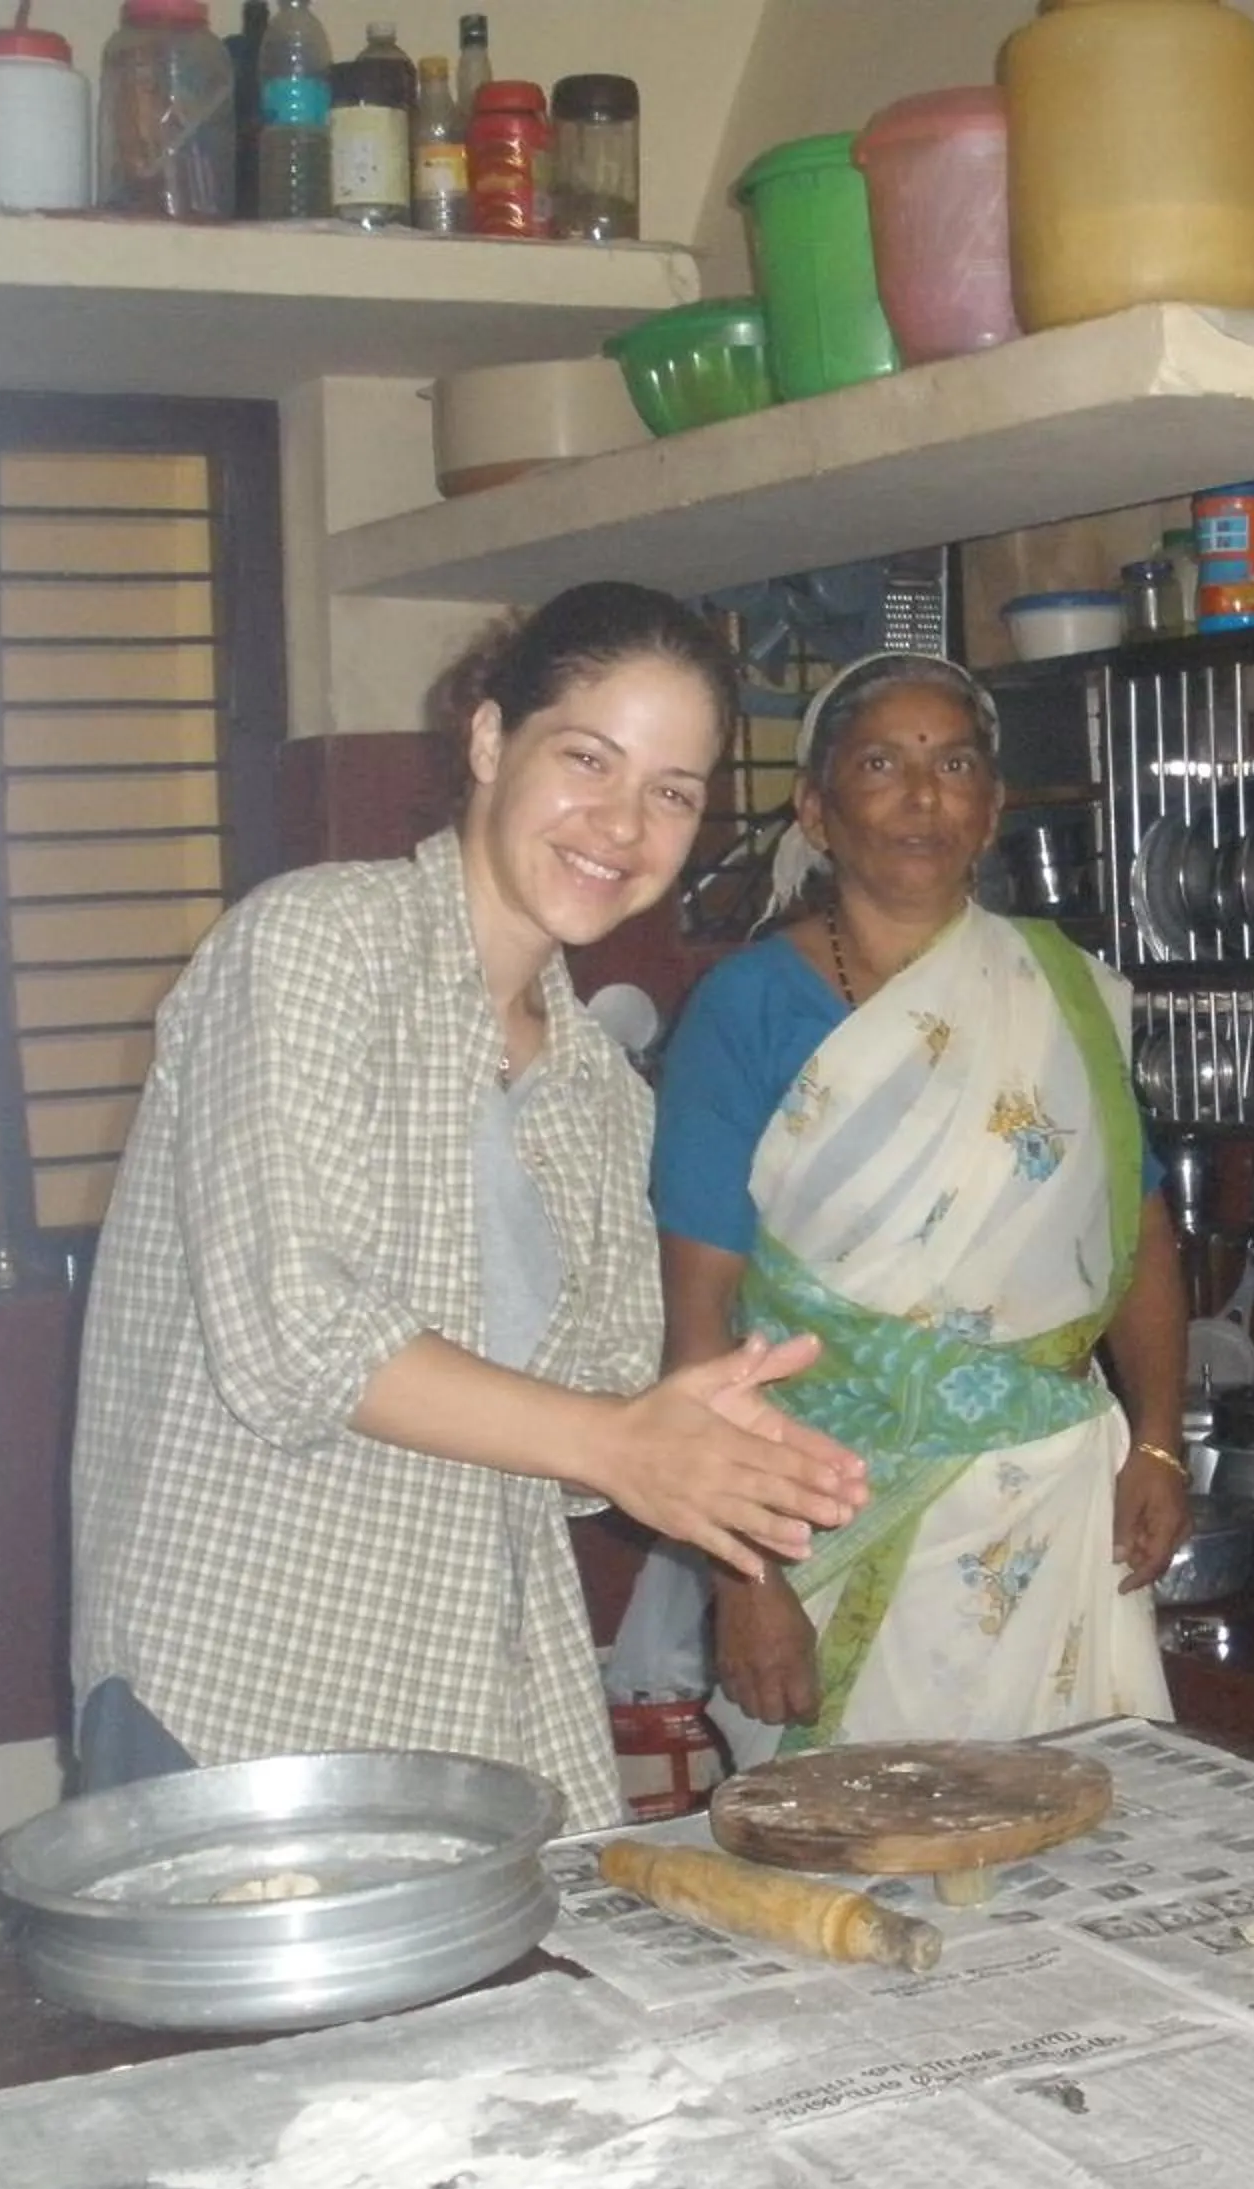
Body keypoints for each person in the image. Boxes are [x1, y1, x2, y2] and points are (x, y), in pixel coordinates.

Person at [70, 583, 869, 1834]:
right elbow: (298, 1335)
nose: (623, 823)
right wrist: (616, 1442)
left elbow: (580, 1425)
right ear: (492, 741)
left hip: (470, 1688)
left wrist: (686, 1437)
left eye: (672, 789)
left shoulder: (597, 1091)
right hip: (239, 1687)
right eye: (587, 759)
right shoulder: (316, 946)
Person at [653, 650, 1189, 1771]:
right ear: (817, 806)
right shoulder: (746, 1007)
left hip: (1048, 1512)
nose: (922, 793)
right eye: (882, 763)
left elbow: (1137, 1235)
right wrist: (742, 1577)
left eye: (954, 763)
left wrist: (1160, 1445)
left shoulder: (1063, 995)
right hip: (826, 1510)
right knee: (853, 1860)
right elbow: (696, 1321)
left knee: (1068, 1837)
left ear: (990, 808)